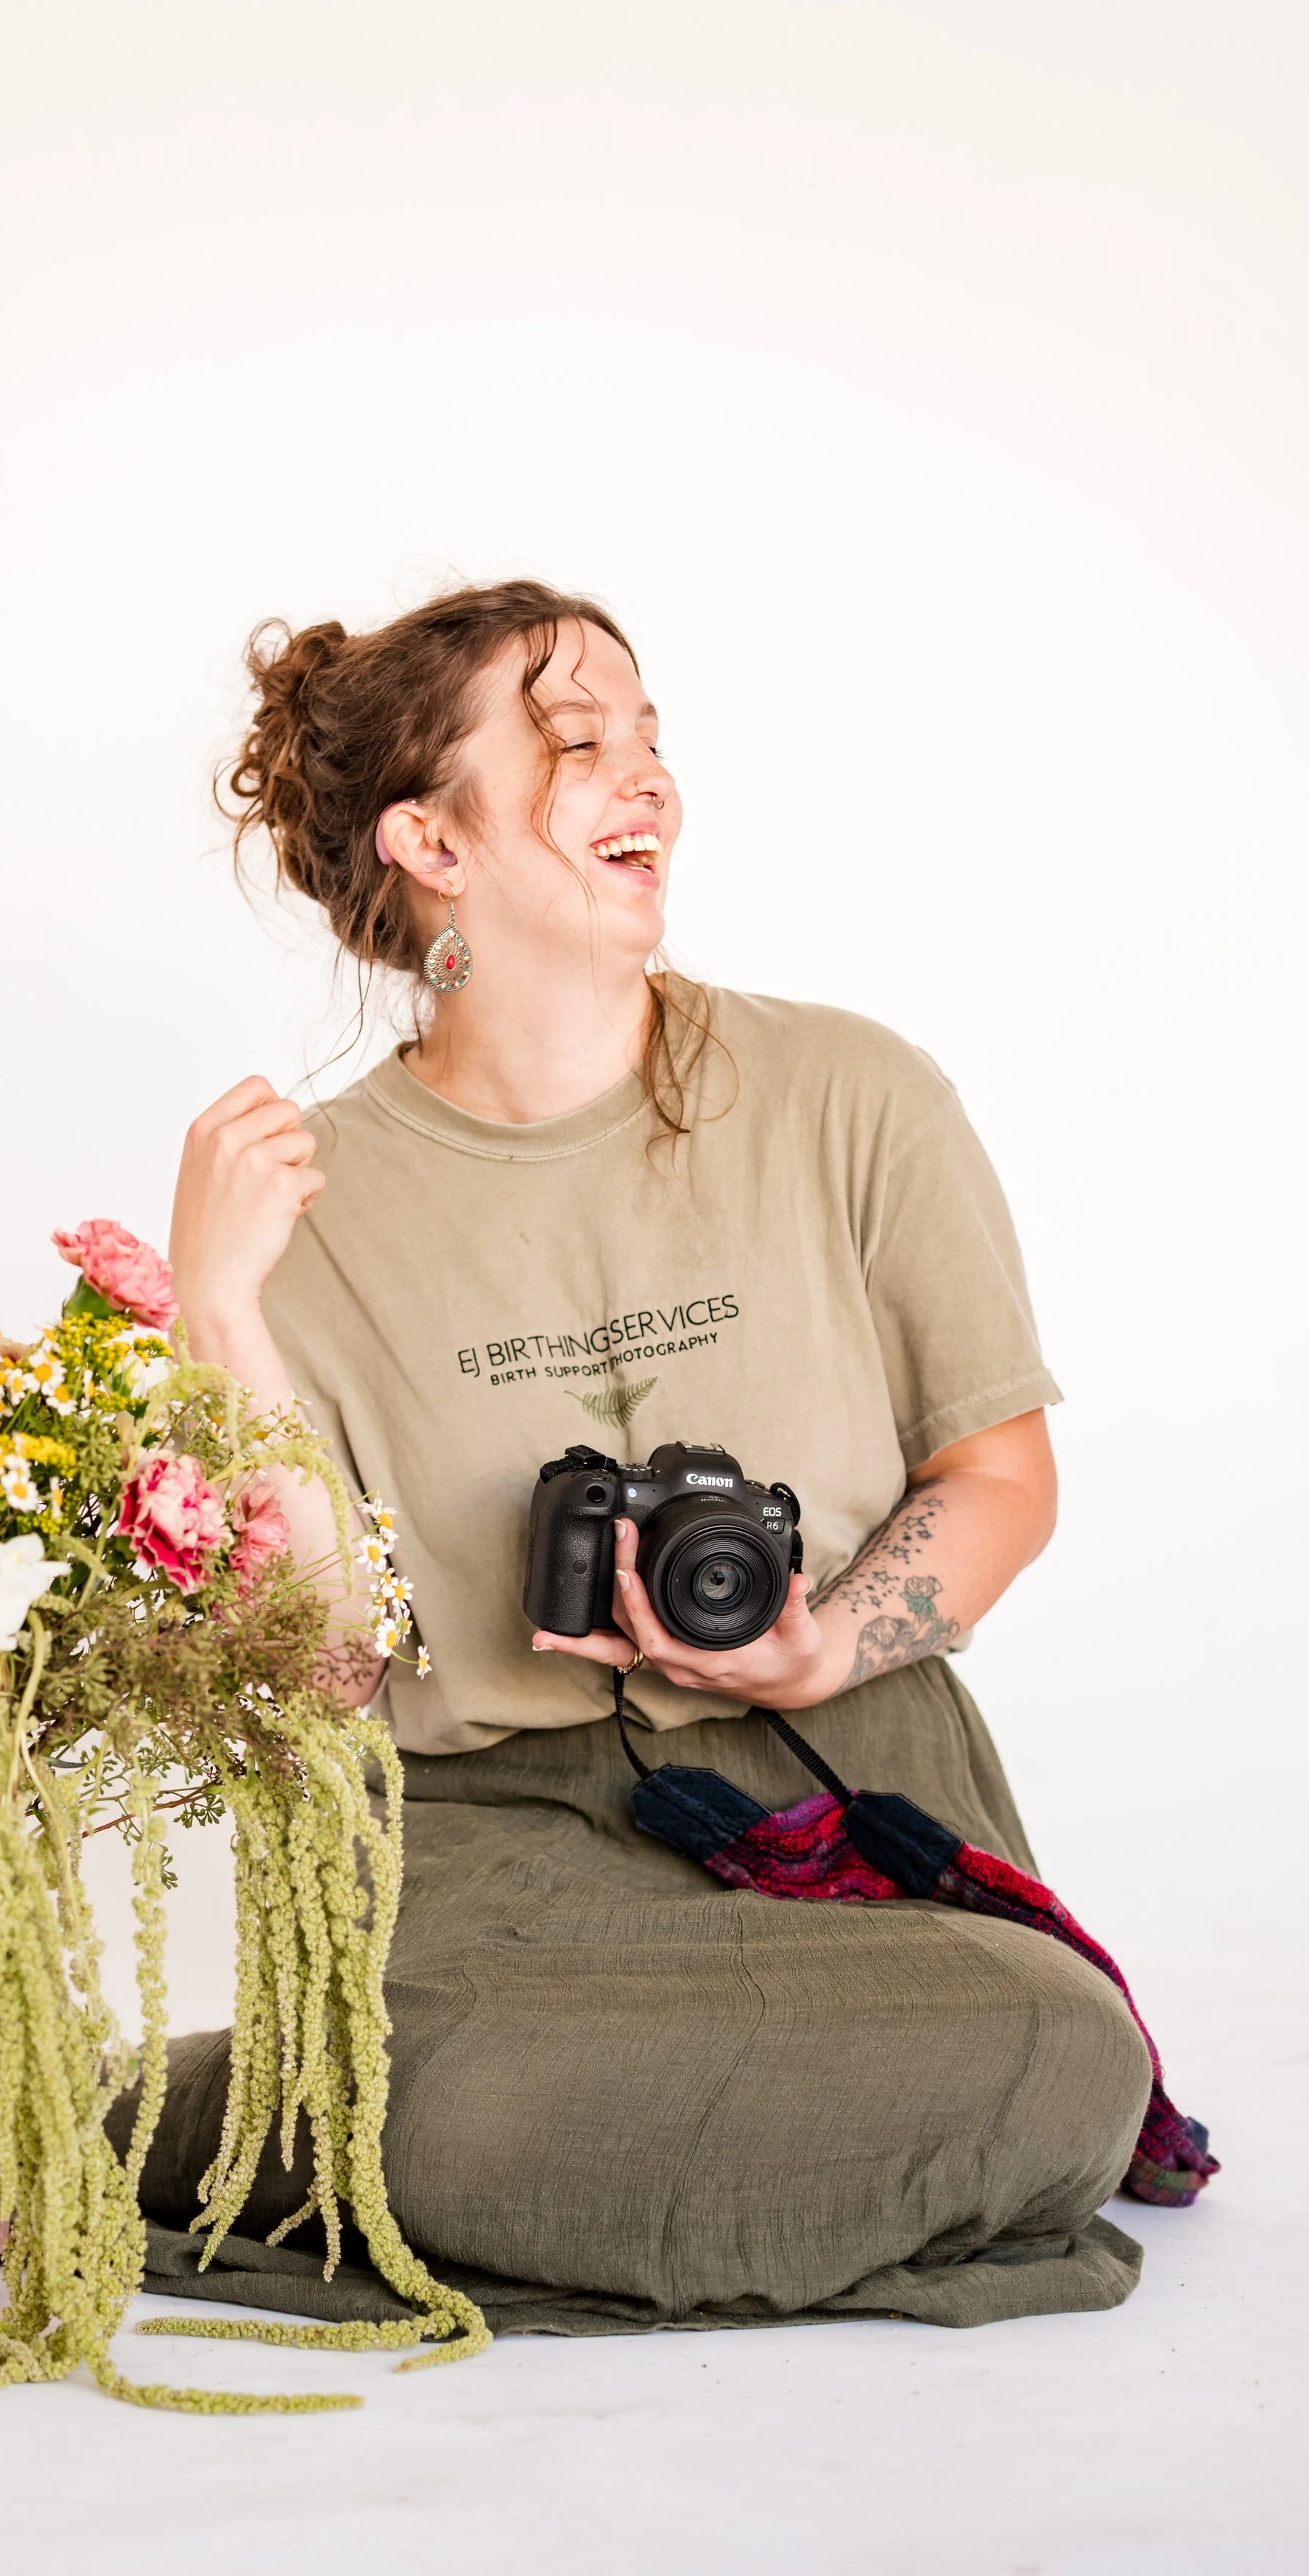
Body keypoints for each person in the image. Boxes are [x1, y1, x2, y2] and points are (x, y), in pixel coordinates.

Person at [139, 578, 1150, 2335]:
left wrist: (818, 1640)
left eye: (651, 738)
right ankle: (316, 2109)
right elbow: (317, 1664)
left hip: (840, 1802)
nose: (649, 782)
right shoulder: (304, 1205)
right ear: (426, 842)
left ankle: (311, 2129)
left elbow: (997, 1477)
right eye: (576, 745)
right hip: (492, 1864)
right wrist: (217, 1318)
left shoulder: (851, 1094)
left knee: (1056, 2054)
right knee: (451, 2091)